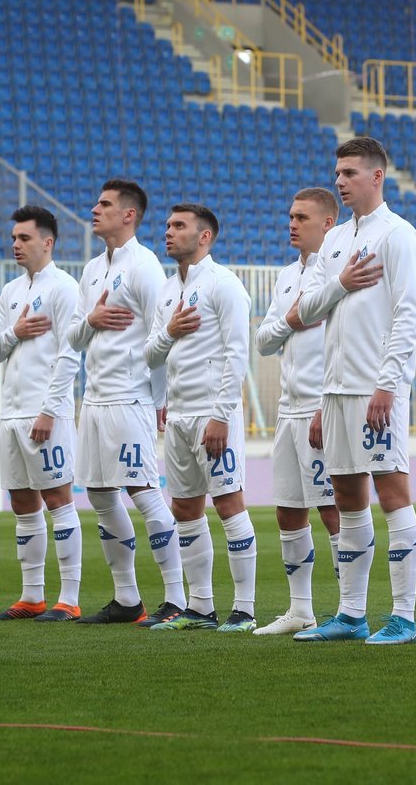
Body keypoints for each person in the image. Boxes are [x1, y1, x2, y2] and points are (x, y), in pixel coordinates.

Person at [289, 137, 416, 645]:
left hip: (376, 389)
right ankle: (350, 614)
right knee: (346, 496)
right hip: (336, 390)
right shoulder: (335, 241)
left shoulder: (399, 234)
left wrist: (388, 384)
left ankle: (404, 617)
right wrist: (342, 283)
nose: (340, 181)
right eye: (338, 173)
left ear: (376, 176)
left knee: (391, 493)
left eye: (349, 173)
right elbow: (307, 310)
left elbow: (408, 314)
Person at [67, 179, 183, 626]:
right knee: (99, 494)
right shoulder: (92, 269)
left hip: (130, 396)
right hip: (94, 400)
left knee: (144, 492)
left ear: (129, 214)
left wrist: (159, 398)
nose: (94, 209)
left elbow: (162, 336)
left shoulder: (145, 266)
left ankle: (176, 599)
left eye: (105, 204)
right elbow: (74, 336)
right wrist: (92, 319)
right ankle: (127, 599)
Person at [144, 203, 256, 633]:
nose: (169, 232)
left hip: (213, 413)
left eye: (179, 226)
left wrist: (222, 415)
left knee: (228, 503)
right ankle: (201, 607)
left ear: (204, 236)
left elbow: (237, 353)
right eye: (168, 225)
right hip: (178, 415)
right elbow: (151, 354)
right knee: (185, 508)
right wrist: (170, 332)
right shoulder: (167, 290)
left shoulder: (224, 285)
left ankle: (244, 609)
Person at [0, 206, 84, 621]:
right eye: (13, 238)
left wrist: (50, 410)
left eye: (24, 238)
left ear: (48, 242)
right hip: (11, 414)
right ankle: (32, 597)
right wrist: (15, 332)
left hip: (46, 414)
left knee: (58, 500)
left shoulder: (65, 288)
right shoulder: (10, 291)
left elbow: (70, 355)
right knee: (23, 504)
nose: (15, 244)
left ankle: (70, 599)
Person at [252, 188, 343, 635]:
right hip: (288, 410)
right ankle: (300, 610)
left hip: (321, 406)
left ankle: (350, 609)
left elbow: (343, 345)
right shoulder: (288, 274)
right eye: (290, 216)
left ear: (327, 223)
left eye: (301, 217)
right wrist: (291, 320)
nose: (291, 224)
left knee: (333, 510)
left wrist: (328, 405)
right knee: (288, 509)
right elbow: (263, 340)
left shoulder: (337, 272)